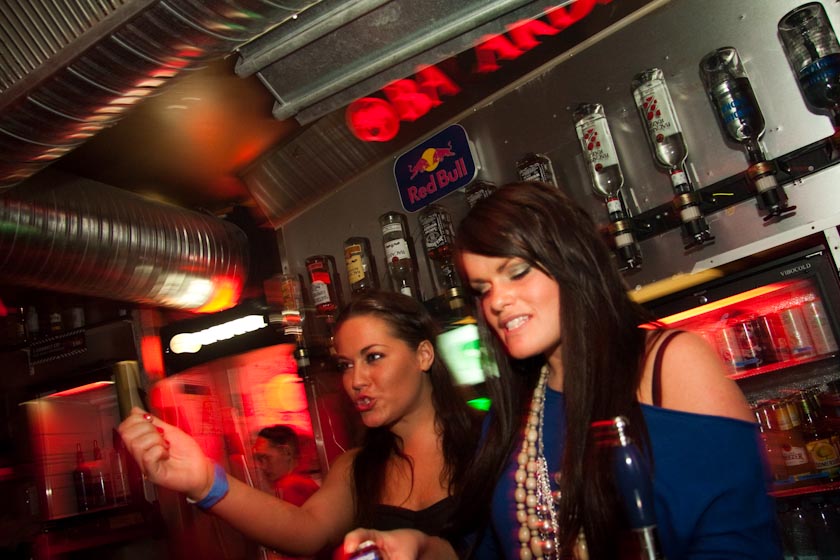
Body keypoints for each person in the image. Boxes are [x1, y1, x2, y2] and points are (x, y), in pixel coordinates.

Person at [344, 181, 782, 559]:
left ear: (571, 260)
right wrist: (422, 547)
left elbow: (740, 542)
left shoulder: (669, 364)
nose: (497, 301)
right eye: (483, 288)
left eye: (517, 272)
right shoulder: (511, 414)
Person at [118, 291, 480, 557]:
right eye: (345, 365)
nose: (355, 381)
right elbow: (304, 531)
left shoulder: (487, 442)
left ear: (423, 355)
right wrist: (203, 481)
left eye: (373, 357)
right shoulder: (358, 467)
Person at [253, 425, 319, 507]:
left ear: (286, 452)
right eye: (260, 459)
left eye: (267, 458)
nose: (263, 467)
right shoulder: (305, 482)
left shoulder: (292, 485)